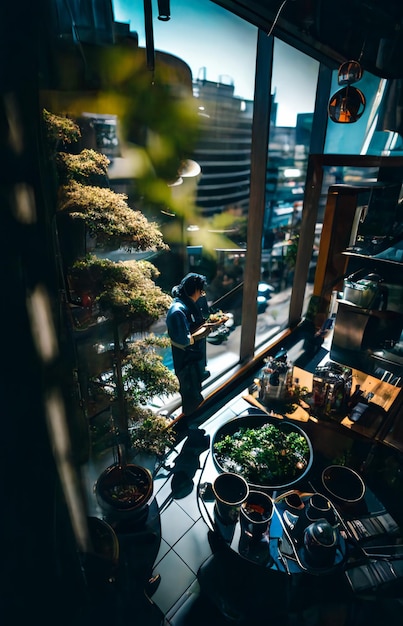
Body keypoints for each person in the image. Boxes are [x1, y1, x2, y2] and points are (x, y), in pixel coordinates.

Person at [166, 273, 215, 416]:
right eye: (201, 291)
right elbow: (183, 340)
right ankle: (191, 424)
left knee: (195, 392)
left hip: (193, 359)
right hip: (186, 362)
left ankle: (194, 420)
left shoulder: (185, 303)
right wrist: (204, 331)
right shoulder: (177, 311)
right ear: (194, 290)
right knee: (190, 395)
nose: (201, 295)